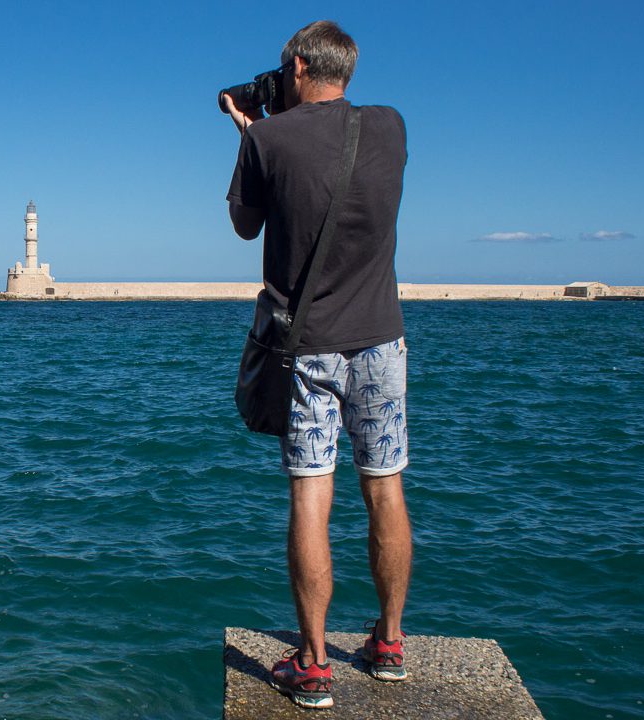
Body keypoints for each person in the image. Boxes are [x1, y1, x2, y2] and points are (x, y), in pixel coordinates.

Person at [223, 20, 413, 710]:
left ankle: (313, 664)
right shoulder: (389, 127)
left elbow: (246, 224)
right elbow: (336, 153)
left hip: (308, 351)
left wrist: (250, 129)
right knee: (385, 487)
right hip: (383, 342)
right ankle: (387, 645)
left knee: (311, 495)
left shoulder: (268, 140)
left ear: (297, 68)